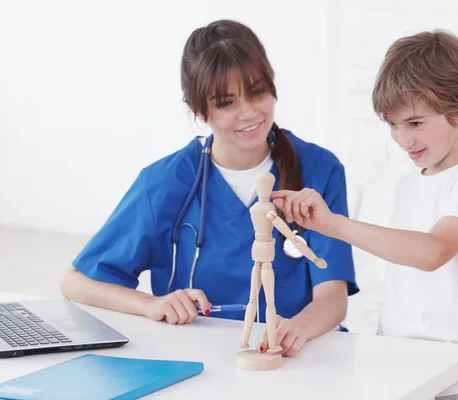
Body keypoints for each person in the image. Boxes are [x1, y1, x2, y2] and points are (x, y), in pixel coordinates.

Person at [60, 19, 358, 357]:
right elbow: (75, 282)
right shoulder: (164, 182)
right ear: (199, 109)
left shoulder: (320, 170)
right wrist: (151, 304)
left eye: (257, 92)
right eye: (226, 102)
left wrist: (296, 329)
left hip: (296, 355)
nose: (248, 113)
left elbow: (333, 296)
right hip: (195, 357)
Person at [271, 30, 458, 397]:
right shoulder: (409, 186)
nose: (403, 139)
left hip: (455, 384)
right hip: (405, 372)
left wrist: (333, 224)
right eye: (393, 125)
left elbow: (432, 252)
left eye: (414, 123)